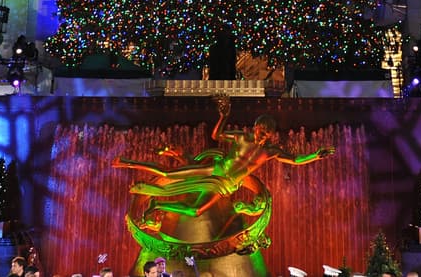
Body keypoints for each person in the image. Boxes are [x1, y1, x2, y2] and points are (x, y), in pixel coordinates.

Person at [116, 95, 334, 225]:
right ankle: (128, 162)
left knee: (195, 211)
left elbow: (295, 160)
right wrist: (223, 116)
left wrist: (315, 155)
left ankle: (157, 203)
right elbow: (216, 136)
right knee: (167, 174)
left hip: (225, 185)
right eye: (260, 129)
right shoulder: (241, 136)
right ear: (255, 128)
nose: (262, 134)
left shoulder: (271, 152)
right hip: (215, 168)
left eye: (266, 132)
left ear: (271, 134)